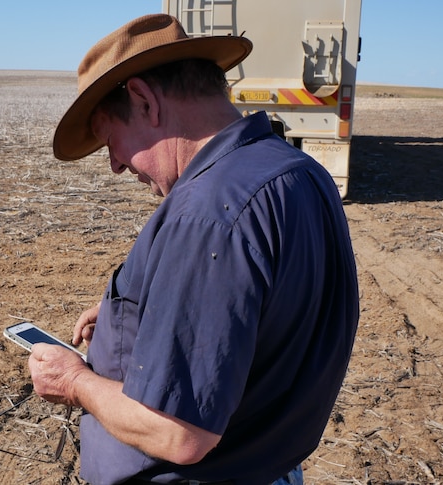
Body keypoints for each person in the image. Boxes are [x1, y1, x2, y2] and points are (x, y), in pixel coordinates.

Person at [29, 14, 359, 485]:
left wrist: (74, 382)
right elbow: (255, 313)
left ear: (145, 102)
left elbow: (179, 433)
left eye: (109, 140)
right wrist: (144, 312)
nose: (115, 166)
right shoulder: (299, 174)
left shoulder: (208, 215)